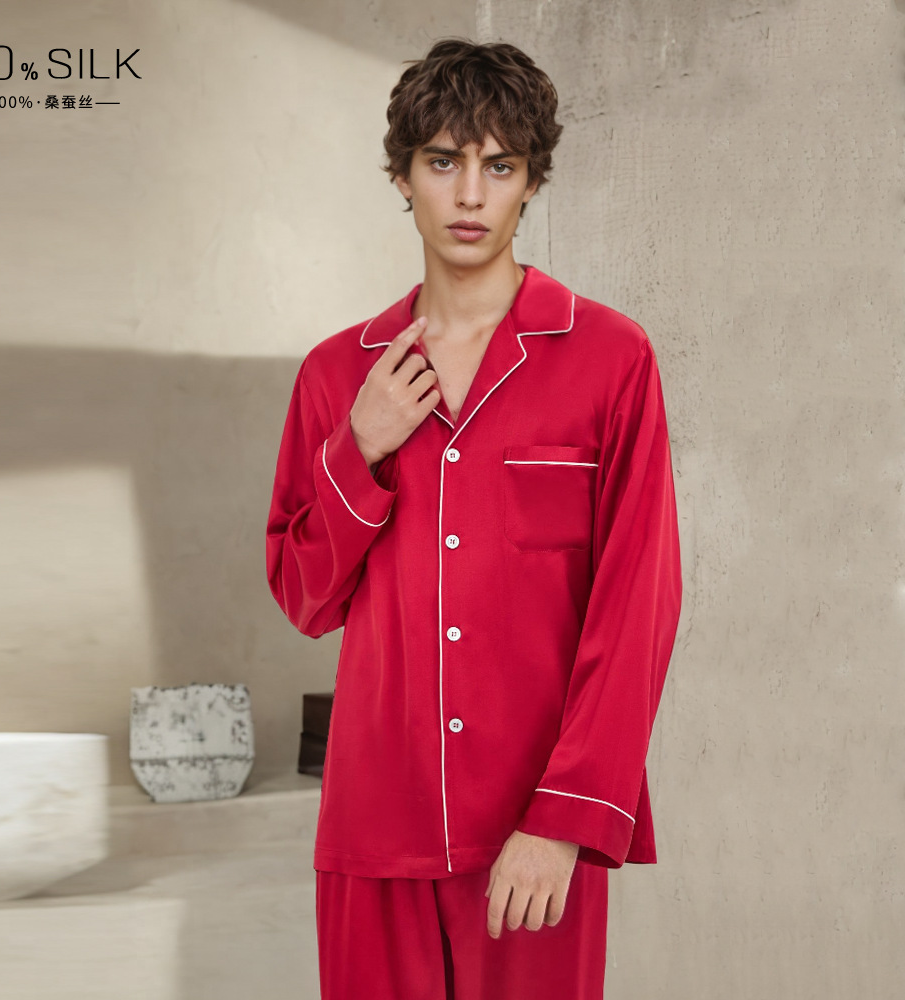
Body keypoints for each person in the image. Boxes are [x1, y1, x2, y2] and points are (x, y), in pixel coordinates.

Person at [265, 37, 683, 1000]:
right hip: (376, 826)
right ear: (402, 177)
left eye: (499, 166)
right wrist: (358, 448)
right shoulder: (337, 375)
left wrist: (565, 820)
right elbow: (303, 598)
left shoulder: (611, 359)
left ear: (531, 183)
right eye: (443, 161)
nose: (468, 194)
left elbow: (636, 607)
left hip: (531, 839)